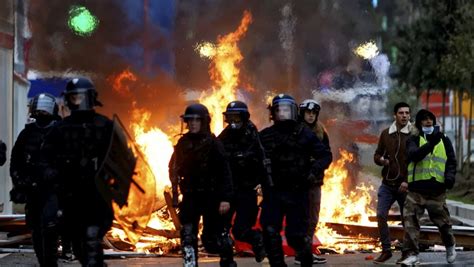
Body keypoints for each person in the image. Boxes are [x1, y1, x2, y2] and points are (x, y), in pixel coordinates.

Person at [43, 78, 115, 266]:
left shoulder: (104, 126)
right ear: (68, 99)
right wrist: (50, 173)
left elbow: (118, 159)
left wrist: (111, 182)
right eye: (74, 96)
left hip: (96, 196)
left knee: (92, 241)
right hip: (70, 196)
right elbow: (45, 158)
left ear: (90, 98)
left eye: (82, 96)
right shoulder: (59, 129)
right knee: (79, 246)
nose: (78, 101)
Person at [259, 94, 332, 267]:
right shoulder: (265, 136)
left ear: (292, 112)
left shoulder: (304, 133)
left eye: (286, 110)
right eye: (279, 110)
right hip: (273, 193)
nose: (283, 113)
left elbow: (325, 155)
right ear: (273, 113)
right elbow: (254, 161)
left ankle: (305, 260)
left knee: (296, 236)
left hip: (297, 193)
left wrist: (313, 173)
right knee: (270, 232)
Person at [169, 103, 236, 267]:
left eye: (197, 120)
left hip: (211, 197)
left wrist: (225, 199)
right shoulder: (182, 143)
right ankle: (190, 265)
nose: (192, 124)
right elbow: (173, 167)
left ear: (204, 122)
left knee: (211, 240)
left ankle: (227, 257)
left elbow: (225, 172)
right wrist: (175, 191)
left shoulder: (214, 144)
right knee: (188, 234)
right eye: (190, 120)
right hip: (191, 196)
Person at [400, 109, 457, 265]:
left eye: (430, 119)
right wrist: (431, 143)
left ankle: (450, 245)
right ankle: (411, 254)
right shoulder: (413, 139)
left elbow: (451, 161)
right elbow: (414, 155)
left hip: (436, 191)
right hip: (416, 191)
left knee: (443, 223)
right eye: (424, 119)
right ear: (419, 123)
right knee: (410, 222)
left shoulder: (444, 139)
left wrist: (450, 177)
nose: (428, 121)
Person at [9, 93, 61, 267]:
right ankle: (44, 263)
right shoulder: (27, 133)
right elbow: (15, 160)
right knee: (36, 229)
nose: (42, 112)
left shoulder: (60, 132)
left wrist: (57, 175)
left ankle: (51, 263)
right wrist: (19, 182)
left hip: (52, 190)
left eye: (45, 109)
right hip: (32, 189)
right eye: (40, 109)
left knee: (49, 226)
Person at [217, 100, 266, 263]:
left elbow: (262, 161)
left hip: (246, 191)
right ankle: (227, 262)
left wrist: (262, 185)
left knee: (240, 231)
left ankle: (258, 242)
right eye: (230, 118)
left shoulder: (253, 135)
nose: (233, 123)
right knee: (221, 231)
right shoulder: (224, 137)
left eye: (236, 118)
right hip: (228, 191)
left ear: (244, 118)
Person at [372, 102, 411, 264]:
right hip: (387, 184)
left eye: (407, 113)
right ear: (395, 115)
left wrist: (407, 181)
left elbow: (419, 162)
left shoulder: (414, 134)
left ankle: (407, 252)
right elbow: (377, 155)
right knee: (381, 214)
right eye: (401, 113)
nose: (404, 116)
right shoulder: (386, 133)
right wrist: (382, 160)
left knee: (408, 220)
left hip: (406, 186)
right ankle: (386, 250)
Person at [296, 99, 330, 265]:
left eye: (313, 113)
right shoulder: (294, 130)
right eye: (308, 113)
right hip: (297, 183)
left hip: (314, 181)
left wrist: (315, 169)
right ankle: (300, 253)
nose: (310, 116)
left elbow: (327, 155)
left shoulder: (321, 131)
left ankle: (306, 251)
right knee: (300, 217)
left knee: (313, 218)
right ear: (302, 113)